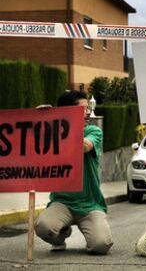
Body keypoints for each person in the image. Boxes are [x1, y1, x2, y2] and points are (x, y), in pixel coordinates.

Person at [35, 90, 113, 254]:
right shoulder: (51, 133)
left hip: (90, 204)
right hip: (62, 202)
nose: (88, 112)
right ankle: (61, 234)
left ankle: (92, 231)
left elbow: (84, 146)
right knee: (43, 228)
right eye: (83, 109)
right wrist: (42, 120)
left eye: (87, 109)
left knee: (101, 245)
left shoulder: (93, 131)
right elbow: (30, 140)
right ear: (69, 111)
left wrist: (56, 122)